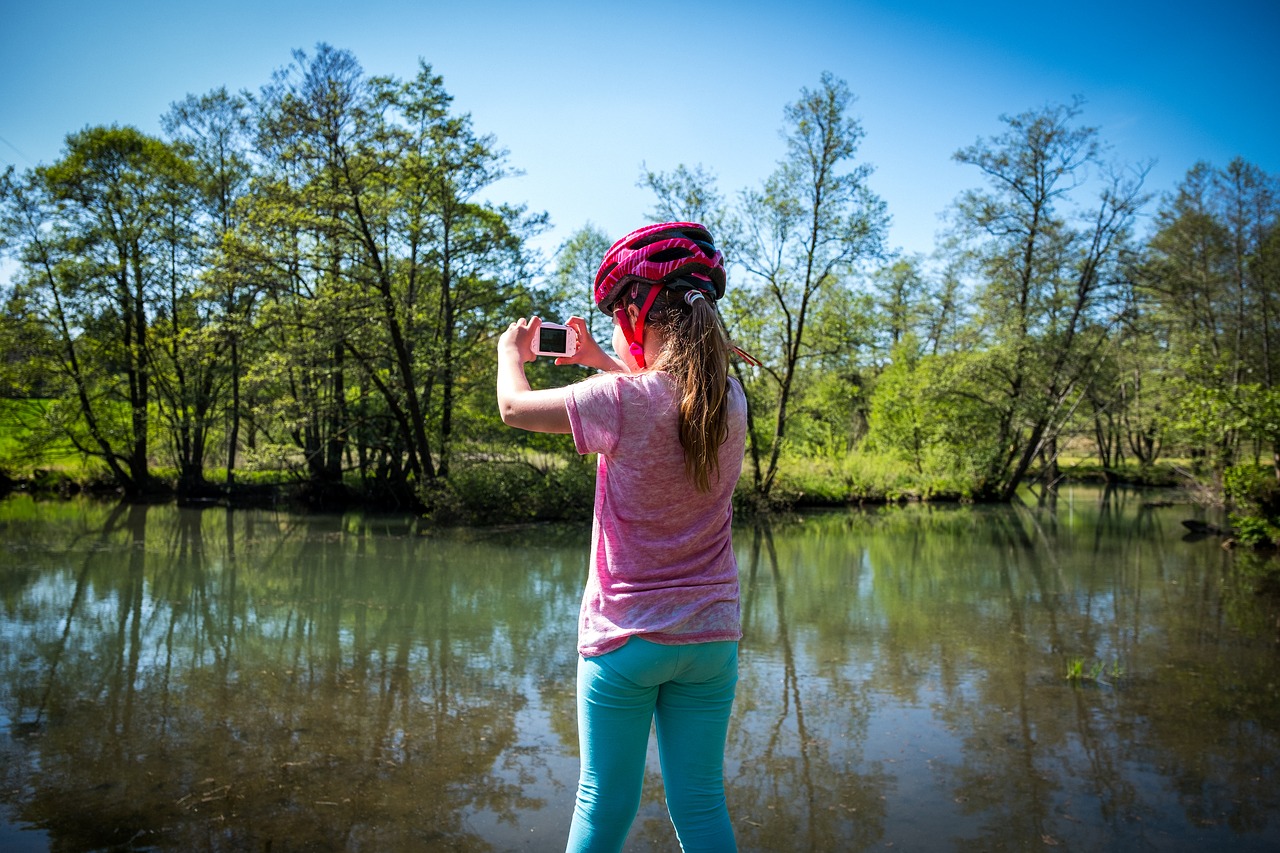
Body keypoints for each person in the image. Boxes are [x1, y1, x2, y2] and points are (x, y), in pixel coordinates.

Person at [496, 222, 748, 852]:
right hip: (710, 639)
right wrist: (598, 362)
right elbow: (663, 401)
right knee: (701, 802)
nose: (612, 329)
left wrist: (510, 353)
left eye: (614, 316)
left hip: (627, 640)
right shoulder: (729, 398)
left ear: (636, 315)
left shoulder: (620, 400)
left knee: (604, 800)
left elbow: (513, 409)